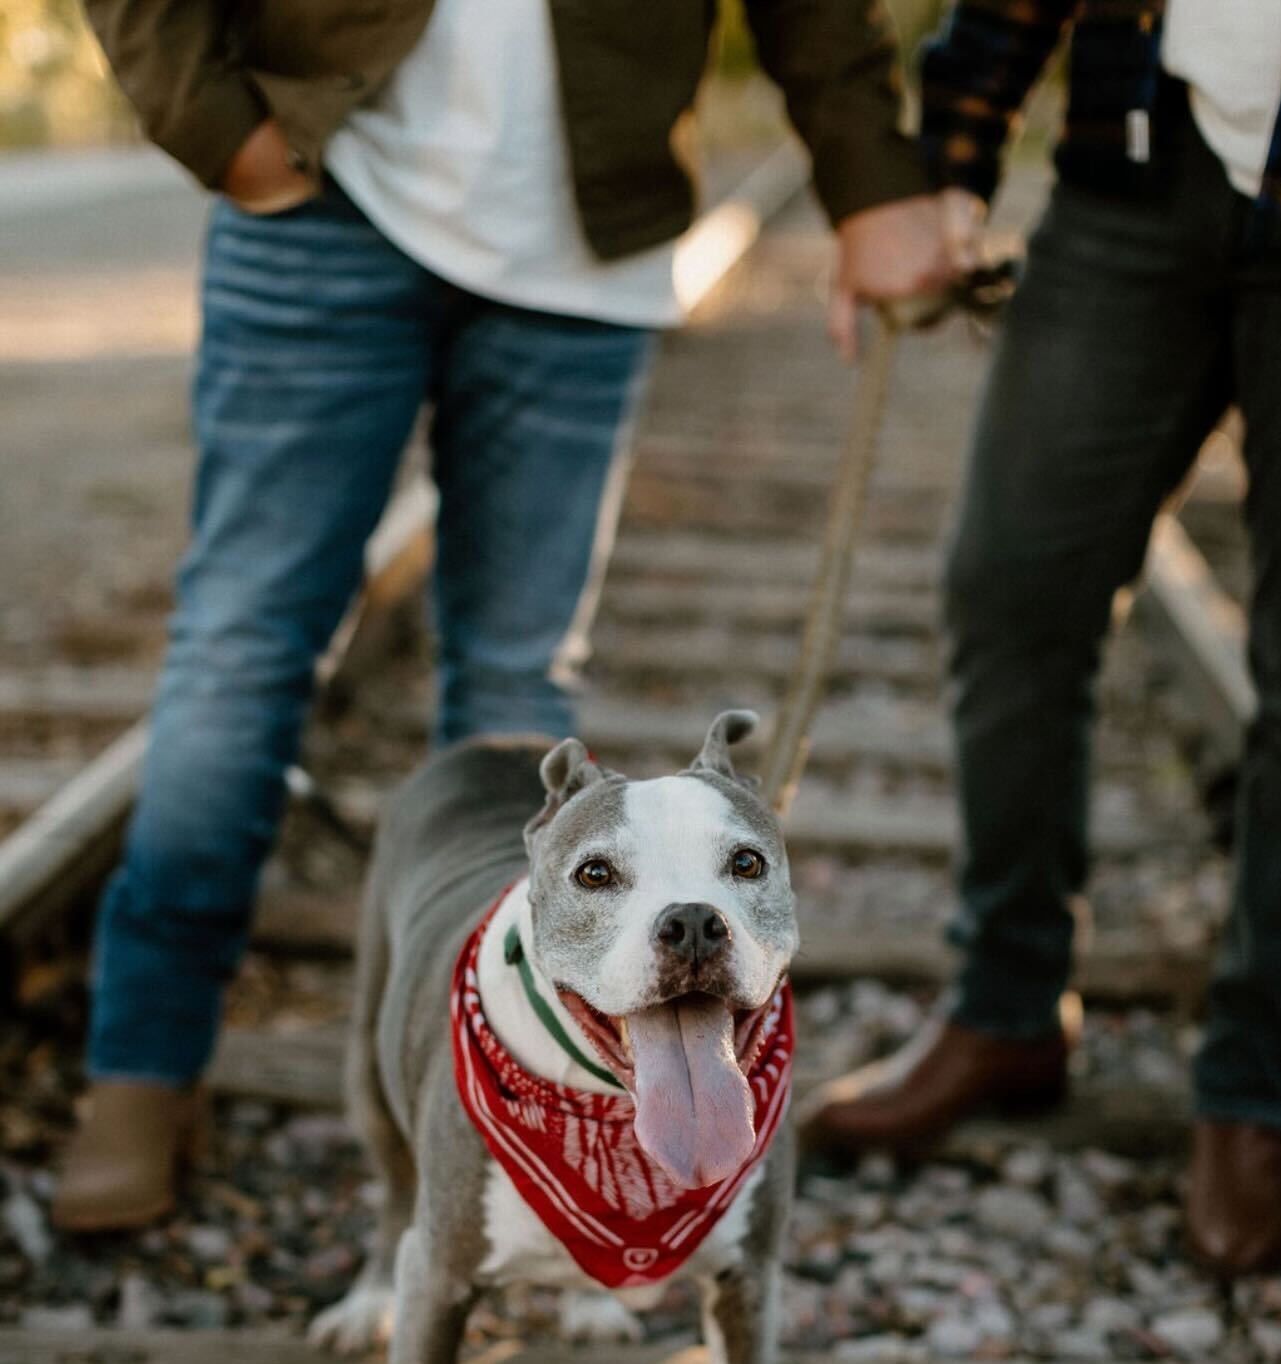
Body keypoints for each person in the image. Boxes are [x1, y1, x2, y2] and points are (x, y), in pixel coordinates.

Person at [54, 0, 960, 1231]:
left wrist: (870, 179)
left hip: (585, 237)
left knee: (514, 688)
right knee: (242, 651)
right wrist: (219, 128)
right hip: (326, 185)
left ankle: (481, 1102)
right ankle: (141, 1073)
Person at [801, 3, 1281, 1278]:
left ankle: (1259, 1085)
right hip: (1143, 156)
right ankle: (1007, 1002)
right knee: (1012, 586)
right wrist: (955, 155)